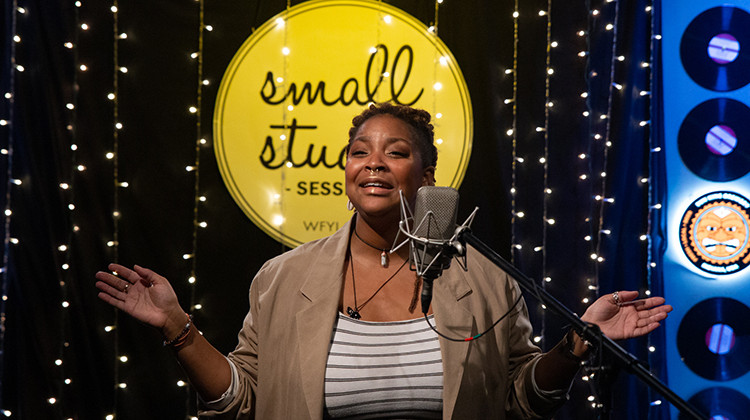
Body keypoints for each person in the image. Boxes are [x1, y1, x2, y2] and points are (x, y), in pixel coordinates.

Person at [95, 102, 672, 419]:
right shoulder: (283, 277)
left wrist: (577, 343)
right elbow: (241, 400)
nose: (373, 163)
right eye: (359, 152)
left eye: (396, 153)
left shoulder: (487, 277)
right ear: (345, 170)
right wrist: (177, 326)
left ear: (425, 179)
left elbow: (522, 399)